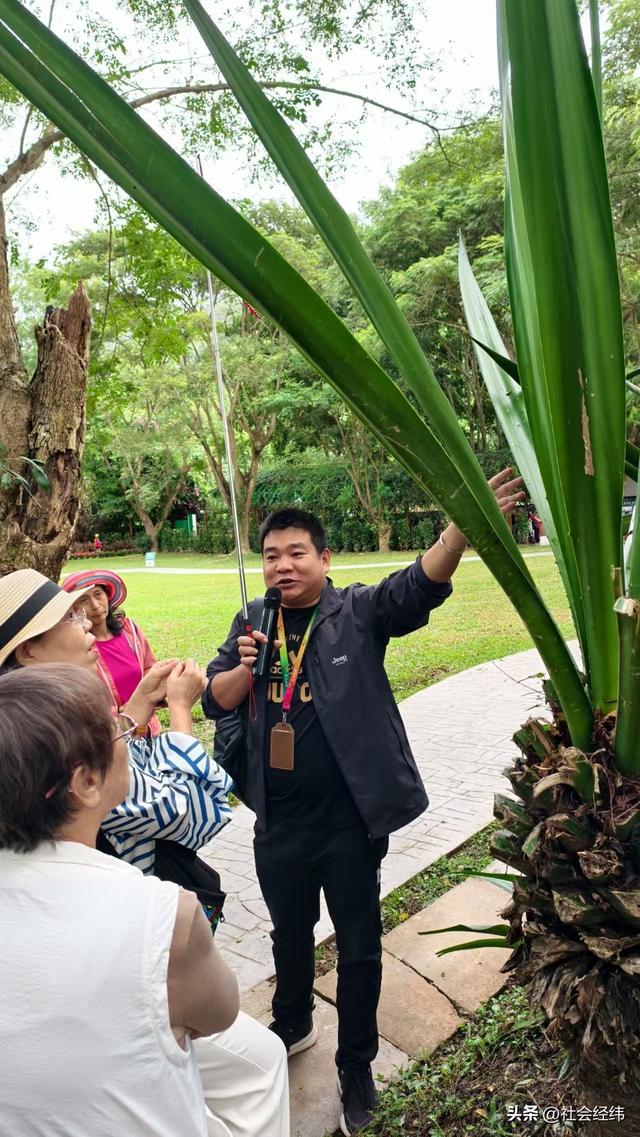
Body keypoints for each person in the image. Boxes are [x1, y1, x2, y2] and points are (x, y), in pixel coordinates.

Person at [203, 469, 523, 1136]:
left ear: (324, 558)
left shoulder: (355, 612)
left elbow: (416, 587)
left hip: (350, 825)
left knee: (359, 946)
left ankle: (356, 1067)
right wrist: (244, 663)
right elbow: (217, 698)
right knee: (288, 933)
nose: (281, 565)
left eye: (296, 552)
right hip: (278, 823)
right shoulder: (253, 619)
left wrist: (458, 530)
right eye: (270, 554)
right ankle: (292, 1022)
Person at [0, 665, 289, 1137]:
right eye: (116, 729)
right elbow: (217, 1014)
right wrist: (178, 711)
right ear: (87, 783)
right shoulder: (162, 914)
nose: (129, 732)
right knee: (257, 1067)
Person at [0, 569, 232, 880]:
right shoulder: (64, 738)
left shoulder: (22, 722)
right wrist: (179, 709)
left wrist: (142, 700)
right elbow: (181, 813)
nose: (88, 626)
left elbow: (109, 743)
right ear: (28, 650)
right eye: (70, 617)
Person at [62, 567, 163, 735]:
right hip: (112, 736)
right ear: (73, 609)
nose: (95, 605)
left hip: (150, 729)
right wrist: (124, 712)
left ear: (107, 596)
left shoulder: (130, 630)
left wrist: (147, 701)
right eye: (84, 600)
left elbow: (149, 669)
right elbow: (78, 702)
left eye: (98, 594)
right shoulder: (76, 649)